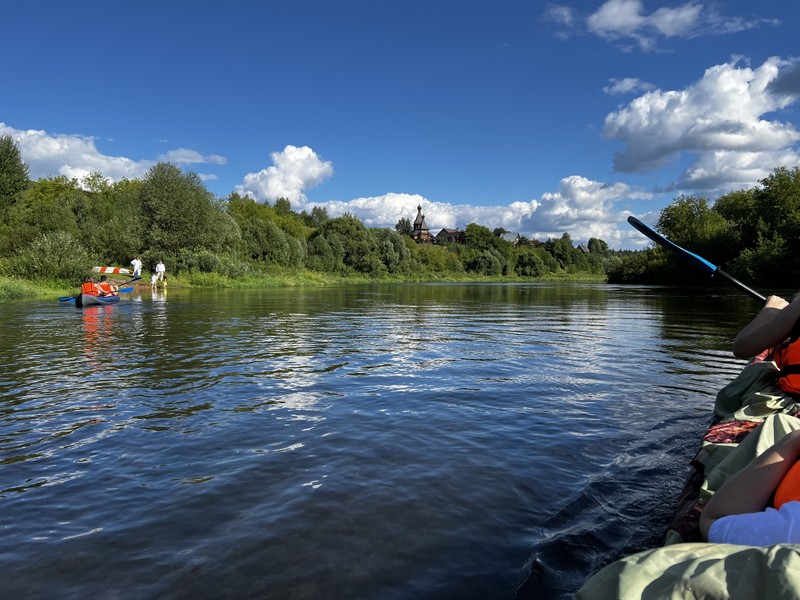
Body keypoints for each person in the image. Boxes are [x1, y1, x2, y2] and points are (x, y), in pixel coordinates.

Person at [700, 423, 800, 545]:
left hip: (769, 514)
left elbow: (712, 521)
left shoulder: (791, 528)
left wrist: (791, 441)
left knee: (774, 422)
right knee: (776, 421)